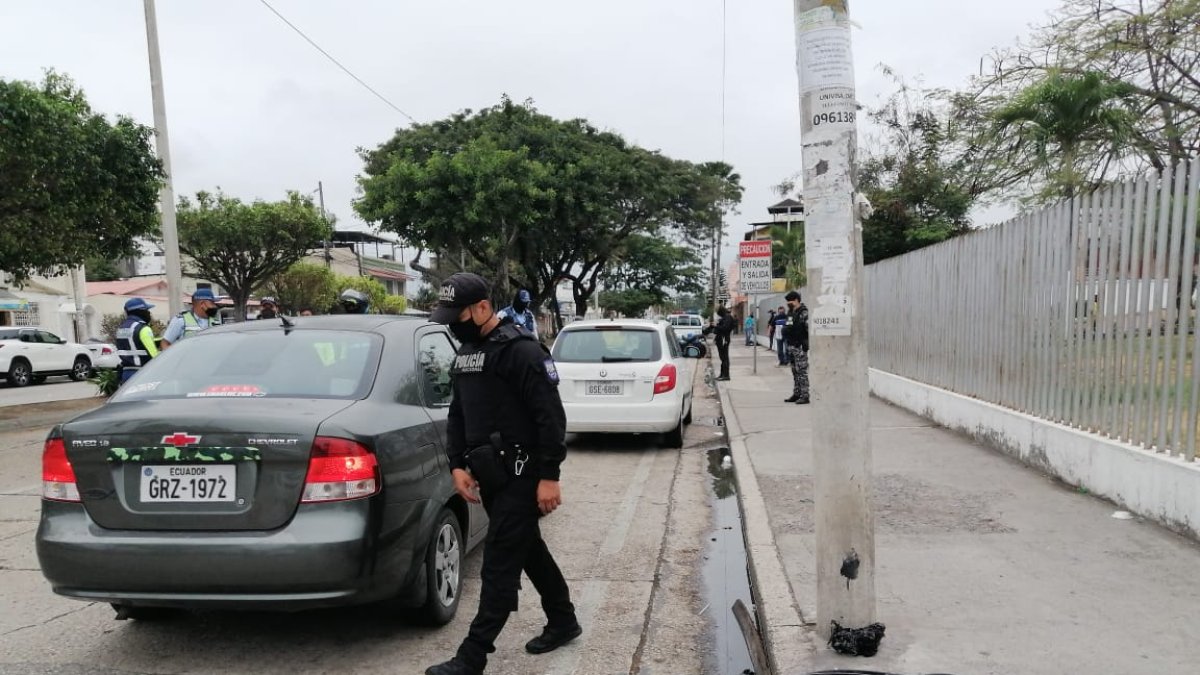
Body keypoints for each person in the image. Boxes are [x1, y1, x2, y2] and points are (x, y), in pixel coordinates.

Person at [425, 273, 579, 675]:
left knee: (499, 563)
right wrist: (457, 464)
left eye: (458, 316)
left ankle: (472, 656)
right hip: (490, 476)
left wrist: (549, 476)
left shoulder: (522, 351)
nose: (453, 326)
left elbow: (551, 418)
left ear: (482, 308)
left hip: (524, 476)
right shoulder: (467, 353)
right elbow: (458, 415)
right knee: (528, 549)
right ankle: (563, 620)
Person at [114, 297, 159, 383]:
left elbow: (131, 345)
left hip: (126, 374)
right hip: (142, 374)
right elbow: (155, 356)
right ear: (140, 311)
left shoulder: (121, 329)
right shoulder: (143, 328)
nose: (149, 313)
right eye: (147, 310)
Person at [781, 291, 810, 404]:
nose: (788, 303)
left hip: (800, 346)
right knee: (794, 371)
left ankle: (805, 395)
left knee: (801, 371)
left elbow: (808, 329)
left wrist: (805, 343)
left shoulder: (803, 313)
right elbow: (788, 326)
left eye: (790, 301)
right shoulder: (791, 313)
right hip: (791, 345)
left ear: (796, 300)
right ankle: (797, 393)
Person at [707, 306, 735, 381]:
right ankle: (722, 374)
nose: (718, 314)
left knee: (724, 358)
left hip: (724, 340)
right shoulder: (724, 317)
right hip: (721, 340)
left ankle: (726, 375)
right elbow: (721, 327)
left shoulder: (728, 317)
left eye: (718, 312)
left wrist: (717, 326)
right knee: (722, 358)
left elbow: (725, 328)